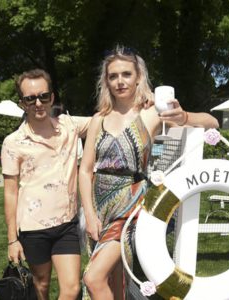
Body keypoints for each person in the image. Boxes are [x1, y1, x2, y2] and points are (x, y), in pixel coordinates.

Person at [79, 45, 219, 299]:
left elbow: (212, 122)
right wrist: (89, 214)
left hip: (131, 204)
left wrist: (183, 116)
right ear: (106, 82)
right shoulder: (99, 118)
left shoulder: (152, 112)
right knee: (115, 276)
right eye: (113, 76)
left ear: (138, 77)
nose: (120, 81)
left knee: (93, 277)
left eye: (126, 74)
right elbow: (85, 170)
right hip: (101, 205)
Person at [1, 69, 91, 300]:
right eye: (30, 98)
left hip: (67, 224)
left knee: (71, 289)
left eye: (43, 96)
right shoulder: (13, 142)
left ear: (52, 97)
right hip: (33, 229)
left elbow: (104, 119)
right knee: (40, 285)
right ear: (22, 103)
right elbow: (10, 193)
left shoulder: (70, 126)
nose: (38, 103)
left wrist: (140, 103)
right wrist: (12, 240)